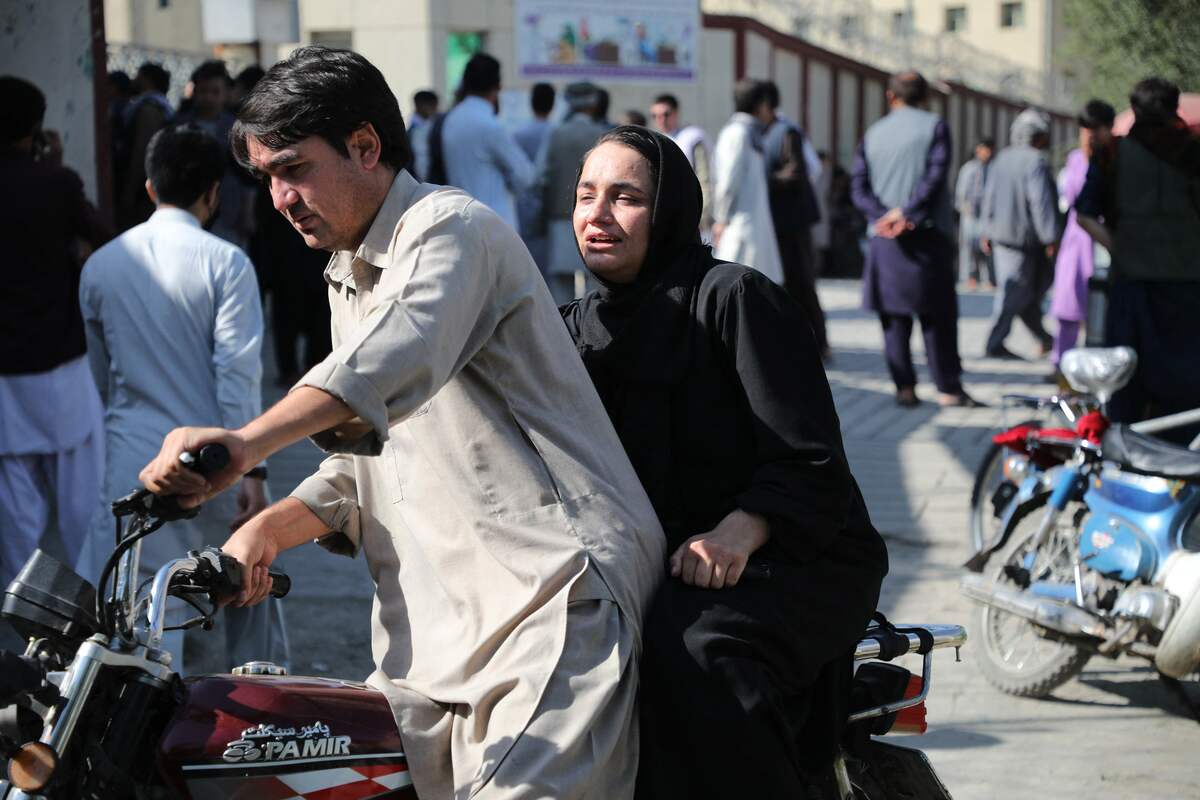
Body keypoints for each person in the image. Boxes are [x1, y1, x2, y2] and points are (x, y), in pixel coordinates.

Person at [139, 46, 664, 798]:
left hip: (550, 606)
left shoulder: (452, 229)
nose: (281, 197)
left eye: (294, 168)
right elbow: (367, 459)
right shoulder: (345, 272)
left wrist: (244, 443)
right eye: (267, 178)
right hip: (434, 639)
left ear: (364, 146)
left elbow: (389, 363)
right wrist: (264, 531)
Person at [562, 126, 888, 799]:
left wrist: (741, 529)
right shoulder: (571, 330)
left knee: (694, 654)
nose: (597, 215)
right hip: (662, 558)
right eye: (586, 195)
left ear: (671, 210)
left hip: (792, 553)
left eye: (625, 198)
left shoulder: (733, 298)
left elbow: (812, 458)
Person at [78, 124, 287, 673]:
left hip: (132, 463)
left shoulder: (100, 266)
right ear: (214, 193)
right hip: (209, 463)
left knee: (133, 619)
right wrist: (253, 472)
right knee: (244, 594)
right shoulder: (227, 263)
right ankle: (250, 730)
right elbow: (238, 376)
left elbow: (99, 384)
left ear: (150, 188)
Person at [0, 75, 109, 591]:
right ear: (35, 128)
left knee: (15, 509)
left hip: (4, 376)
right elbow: (103, 239)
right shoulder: (56, 183)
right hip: (60, 364)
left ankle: (24, 611)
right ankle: (92, 608)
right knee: (81, 505)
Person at [1077, 77, 1200, 442]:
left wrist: (1120, 247)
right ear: (1174, 108)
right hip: (1189, 285)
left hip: (1132, 285)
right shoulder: (1194, 153)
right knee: (1185, 378)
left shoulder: (1112, 154)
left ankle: (1127, 451)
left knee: (1128, 377)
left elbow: (1084, 215)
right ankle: (1181, 456)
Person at [851, 71, 977, 407]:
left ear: (891, 97)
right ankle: (948, 388)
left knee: (894, 318)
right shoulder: (936, 126)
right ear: (925, 97)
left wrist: (882, 215)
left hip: (884, 238)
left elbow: (858, 186)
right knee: (937, 317)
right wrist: (906, 212)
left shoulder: (872, 133)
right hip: (926, 235)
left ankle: (904, 388)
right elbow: (936, 175)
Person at [980, 108, 1059, 360]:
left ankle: (1046, 340)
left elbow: (988, 198)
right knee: (1013, 294)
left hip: (1002, 238)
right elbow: (1041, 203)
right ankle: (994, 343)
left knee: (1026, 296)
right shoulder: (1035, 161)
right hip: (1023, 242)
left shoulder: (1001, 158)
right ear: (1037, 136)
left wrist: (986, 230)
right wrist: (1050, 238)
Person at [761, 80, 829, 358]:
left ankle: (818, 344)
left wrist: (762, 180)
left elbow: (797, 172)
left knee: (801, 283)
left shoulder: (787, 131)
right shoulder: (763, 131)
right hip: (776, 222)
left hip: (793, 223)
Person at [1049, 100, 1114, 372]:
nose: (1090, 135)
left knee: (1103, 316)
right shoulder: (1074, 161)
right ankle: (1062, 369)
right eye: (1085, 129)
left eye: (1096, 129)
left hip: (1105, 242)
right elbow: (1071, 201)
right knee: (1068, 311)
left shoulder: (1117, 159)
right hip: (1077, 244)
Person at [440, 53, 535, 229]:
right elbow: (525, 175)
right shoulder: (490, 126)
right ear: (498, 85)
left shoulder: (451, 119)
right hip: (495, 224)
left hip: (460, 222)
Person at [539, 81, 608, 302]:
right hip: (595, 220)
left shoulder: (556, 134)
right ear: (594, 103)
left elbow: (539, 175)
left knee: (561, 294)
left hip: (560, 219)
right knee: (595, 286)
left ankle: (562, 336)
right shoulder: (604, 135)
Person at [711, 79, 784, 284]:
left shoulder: (748, 132)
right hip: (738, 225)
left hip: (748, 223)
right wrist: (721, 218)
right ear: (761, 105)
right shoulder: (738, 133)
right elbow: (727, 181)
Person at [177, 60, 254, 249]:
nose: (209, 98)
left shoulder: (236, 128)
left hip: (229, 211)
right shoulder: (179, 126)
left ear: (226, 93)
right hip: (188, 209)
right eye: (204, 91)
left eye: (215, 91)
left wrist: (248, 212)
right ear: (194, 91)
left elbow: (248, 176)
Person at [115, 62, 173, 230]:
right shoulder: (158, 107)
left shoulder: (149, 109)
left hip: (144, 192)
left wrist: (129, 191)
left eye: (138, 76)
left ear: (147, 80)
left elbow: (142, 151)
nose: (134, 80)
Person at [649, 93, 712, 230]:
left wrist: (702, 213)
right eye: (655, 116)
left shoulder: (692, 137)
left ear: (676, 113)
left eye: (666, 114)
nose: (661, 120)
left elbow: (704, 178)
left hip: (690, 212)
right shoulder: (653, 141)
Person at [513, 82, 556, 272]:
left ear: (531, 103)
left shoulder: (519, 134)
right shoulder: (556, 132)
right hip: (551, 201)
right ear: (553, 104)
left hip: (525, 202)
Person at [954, 138, 995, 290]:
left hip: (987, 215)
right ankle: (969, 277)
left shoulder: (992, 169)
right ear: (978, 150)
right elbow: (961, 195)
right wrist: (966, 210)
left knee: (987, 246)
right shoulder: (968, 169)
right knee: (968, 247)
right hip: (970, 214)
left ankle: (987, 278)